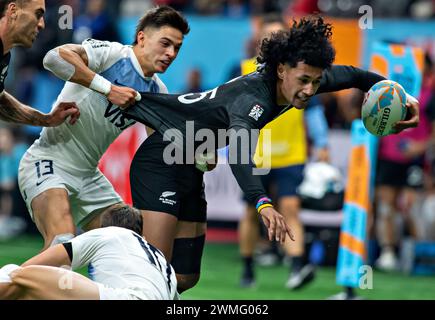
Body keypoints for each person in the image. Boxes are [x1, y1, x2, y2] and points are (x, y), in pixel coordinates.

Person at [123, 16, 420, 293]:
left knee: (185, 277)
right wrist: (263, 203)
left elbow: (353, 75)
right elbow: (239, 155)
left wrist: (403, 98)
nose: (309, 89)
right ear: (281, 70)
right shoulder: (254, 99)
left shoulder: (298, 80)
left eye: (315, 82)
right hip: (161, 161)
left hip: (191, 165)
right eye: (304, 80)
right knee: (156, 272)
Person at [17, 5, 190, 250]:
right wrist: (109, 89)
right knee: (62, 241)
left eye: (177, 48)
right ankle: (10, 283)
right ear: (142, 37)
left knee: (127, 245)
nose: (171, 53)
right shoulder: (113, 54)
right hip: (48, 161)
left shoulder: (156, 91)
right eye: (165, 43)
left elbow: (160, 147)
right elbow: (52, 58)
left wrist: (198, 155)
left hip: (89, 176)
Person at [238, 13, 330, 290]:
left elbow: (313, 110)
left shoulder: (301, 73)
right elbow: (226, 112)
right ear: (259, 39)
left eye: (280, 35)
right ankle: (248, 268)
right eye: (270, 35)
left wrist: (322, 142)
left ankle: (297, 266)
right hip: (257, 156)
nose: (274, 39)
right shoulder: (242, 70)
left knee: (291, 207)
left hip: (291, 153)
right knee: (251, 212)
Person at [0, 204, 178, 300]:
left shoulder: (107, 234)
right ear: (142, 234)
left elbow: (34, 265)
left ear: (103, 226)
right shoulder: (163, 262)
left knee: (14, 274)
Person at [0, 0, 79, 127]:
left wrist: (46, 120)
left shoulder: (5, 54)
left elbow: (0, 101)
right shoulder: (65, 10)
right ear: (13, 11)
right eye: (37, 14)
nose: (42, 24)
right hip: (45, 73)